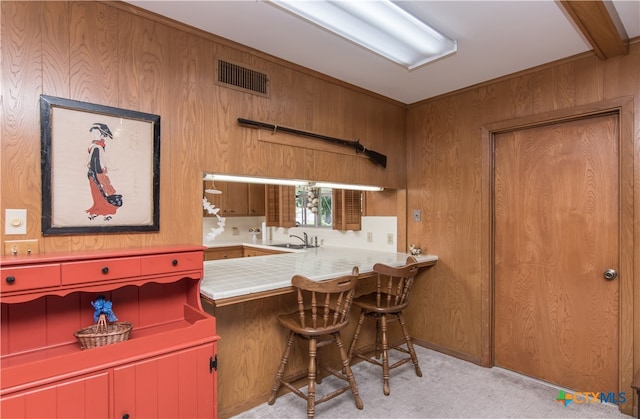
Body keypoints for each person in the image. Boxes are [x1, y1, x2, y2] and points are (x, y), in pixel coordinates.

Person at [86, 123, 122, 221]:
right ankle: (98, 208)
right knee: (96, 191)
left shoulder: (98, 146)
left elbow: (98, 161)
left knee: (100, 191)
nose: (94, 135)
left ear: (102, 135)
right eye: (92, 133)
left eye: (96, 133)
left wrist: (97, 173)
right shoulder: (95, 145)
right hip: (93, 171)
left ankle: (105, 209)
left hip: (97, 171)